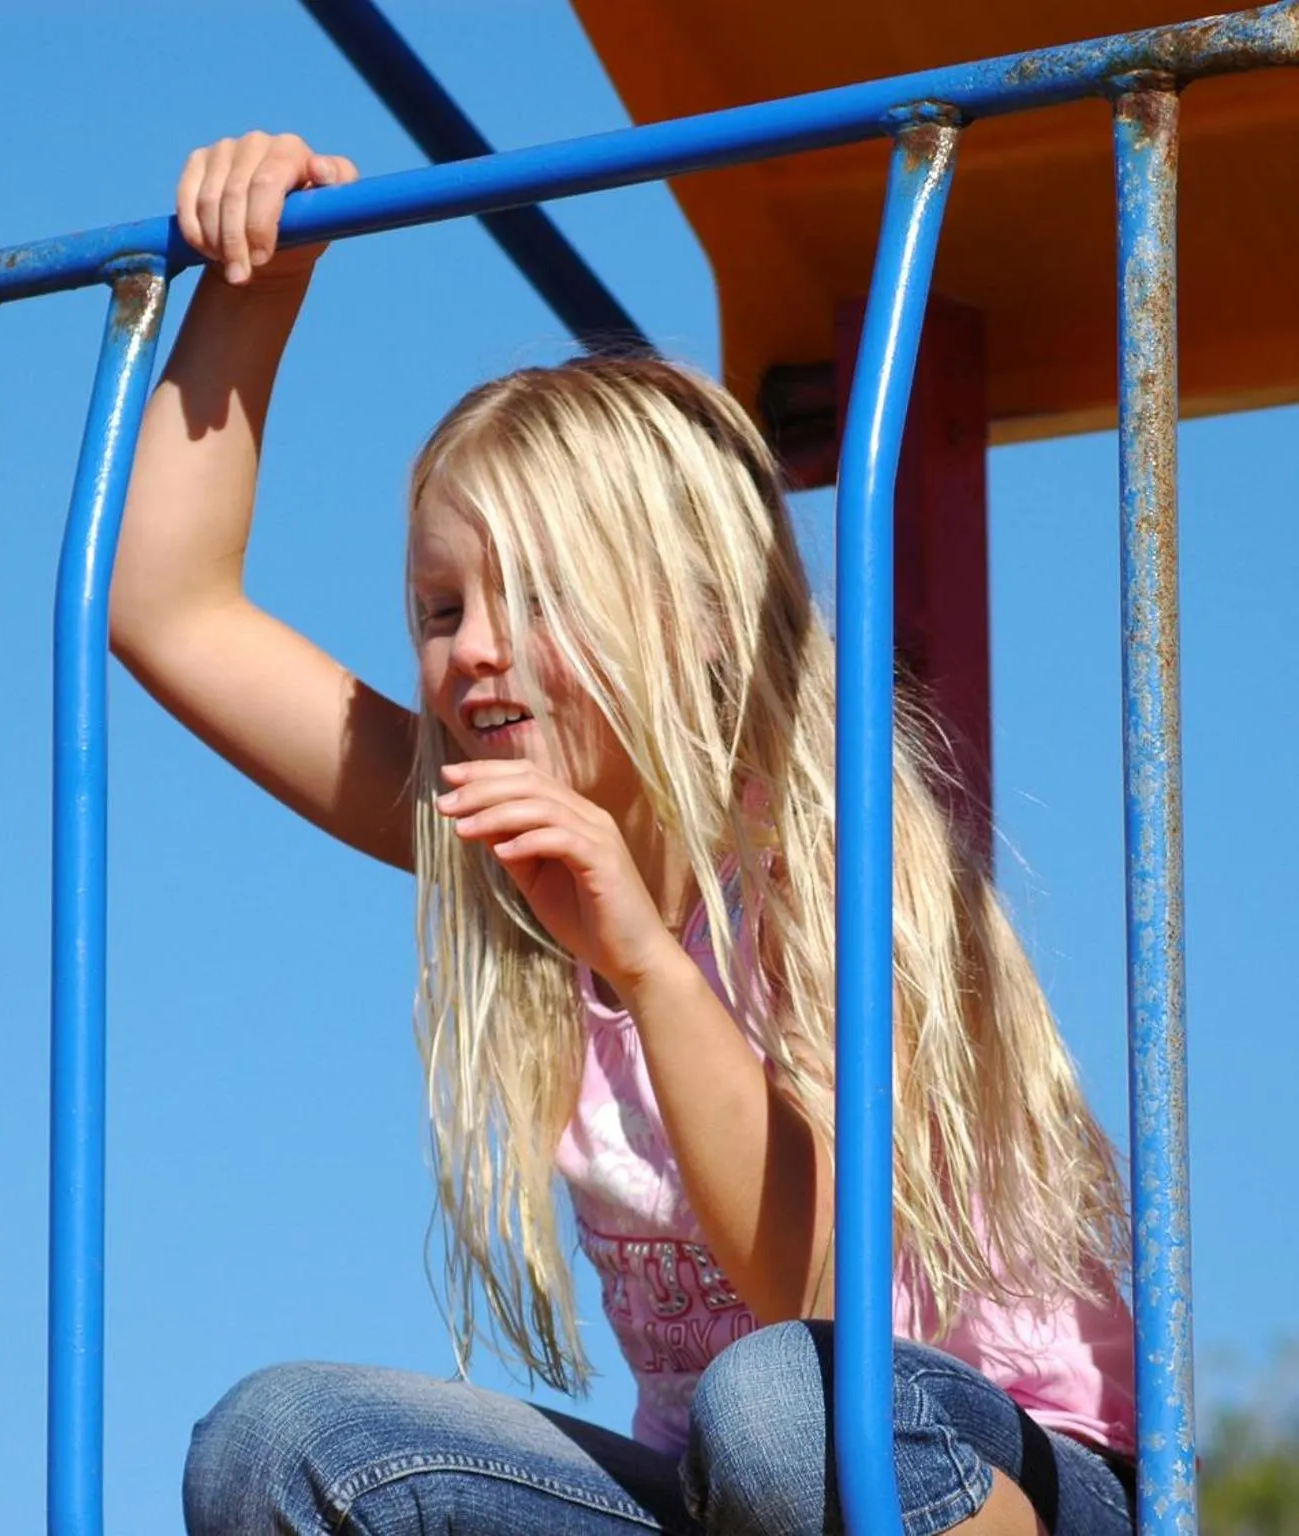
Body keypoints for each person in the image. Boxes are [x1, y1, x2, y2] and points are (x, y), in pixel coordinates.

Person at [109, 131, 1138, 1536]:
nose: (476, 652)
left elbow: (824, 1311)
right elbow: (171, 615)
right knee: (279, 1444)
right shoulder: (502, 862)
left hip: (988, 1465)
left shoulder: (833, 867)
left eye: (537, 599)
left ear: (697, 617)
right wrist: (259, 284)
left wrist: (647, 958)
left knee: (781, 1402)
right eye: (440, 610)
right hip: (735, 1498)